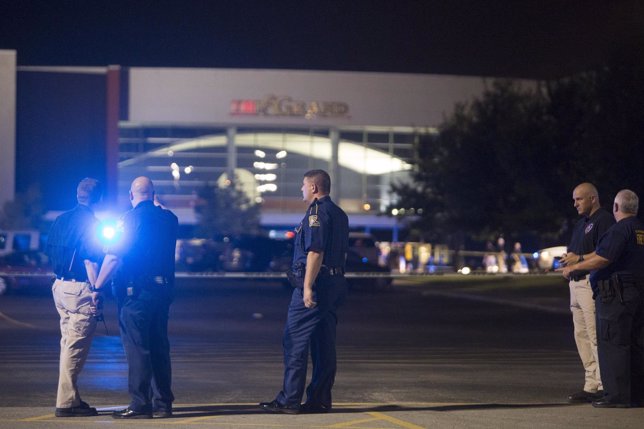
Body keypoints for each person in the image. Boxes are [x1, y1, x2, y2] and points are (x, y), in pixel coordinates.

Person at [260, 169, 349, 414]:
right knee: (324, 344)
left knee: (295, 341)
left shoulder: (316, 213)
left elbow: (316, 251)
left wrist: (308, 287)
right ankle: (319, 399)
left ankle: (289, 399)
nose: (301, 189)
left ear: (313, 188)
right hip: (335, 284)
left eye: (303, 185)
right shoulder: (339, 213)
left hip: (317, 285)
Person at [92, 176, 178, 419]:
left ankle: (140, 404)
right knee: (160, 346)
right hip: (163, 292)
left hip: (136, 294)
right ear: (153, 195)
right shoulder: (170, 220)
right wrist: (154, 201)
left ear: (131, 196)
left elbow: (114, 256)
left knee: (138, 349)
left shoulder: (128, 220)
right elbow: (162, 210)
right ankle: (163, 404)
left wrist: (97, 286)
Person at [560, 189, 644, 408]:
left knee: (612, 343)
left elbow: (603, 257)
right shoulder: (639, 229)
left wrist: (575, 266)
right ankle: (634, 394)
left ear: (617, 208)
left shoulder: (619, 229)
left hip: (617, 294)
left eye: (578, 199)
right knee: (633, 344)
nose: (575, 203)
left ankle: (615, 395)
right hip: (636, 292)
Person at [46, 178, 104, 417]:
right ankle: (66, 403)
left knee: (67, 344)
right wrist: (96, 290)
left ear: (77, 195)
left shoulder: (60, 220)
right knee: (75, 346)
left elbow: (49, 250)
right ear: (99, 198)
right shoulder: (91, 223)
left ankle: (72, 397)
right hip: (80, 288)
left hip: (59, 286)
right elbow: (90, 259)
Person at [559, 182, 614, 403]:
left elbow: (605, 253)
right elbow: (575, 252)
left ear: (593, 198)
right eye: (574, 199)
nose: (575, 204)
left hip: (590, 283)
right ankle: (590, 384)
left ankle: (603, 384)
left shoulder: (604, 220)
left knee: (594, 335)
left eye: (579, 199)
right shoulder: (581, 223)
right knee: (580, 336)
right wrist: (568, 263)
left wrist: (578, 260)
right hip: (575, 284)